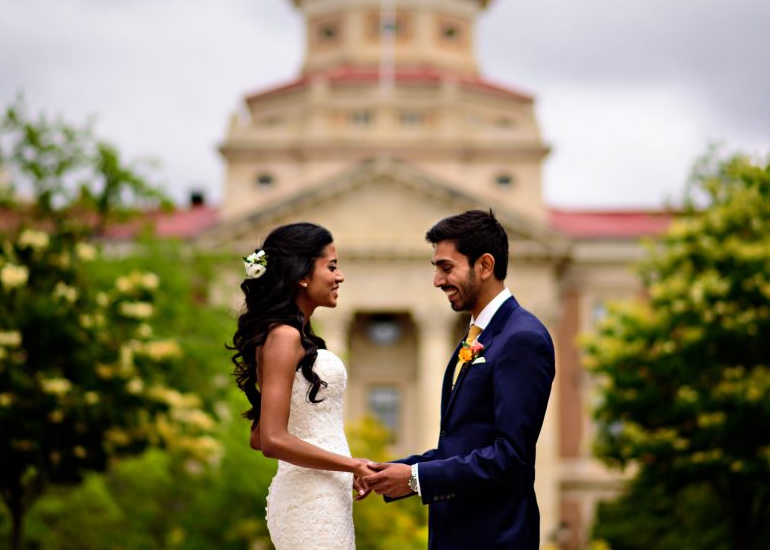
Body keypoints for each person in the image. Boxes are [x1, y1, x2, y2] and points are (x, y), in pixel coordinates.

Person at [363, 209, 556, 549]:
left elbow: (509, 457)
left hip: (495, 539)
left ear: (484, 265)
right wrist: (390, 471)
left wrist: (414, 479)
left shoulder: (522, 338)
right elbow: (461, 445)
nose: (437, 281)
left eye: (446, 267)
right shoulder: (479, 335)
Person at [229, 222, 373, 550]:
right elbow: (271, 440)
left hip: (322, 493)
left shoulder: (297, 337)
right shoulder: (284, 337)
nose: (340, 276)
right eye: (332, 266)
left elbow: (257, 435)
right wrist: (352, 464)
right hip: (310, 499)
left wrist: (342, 468)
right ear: (303, 274)